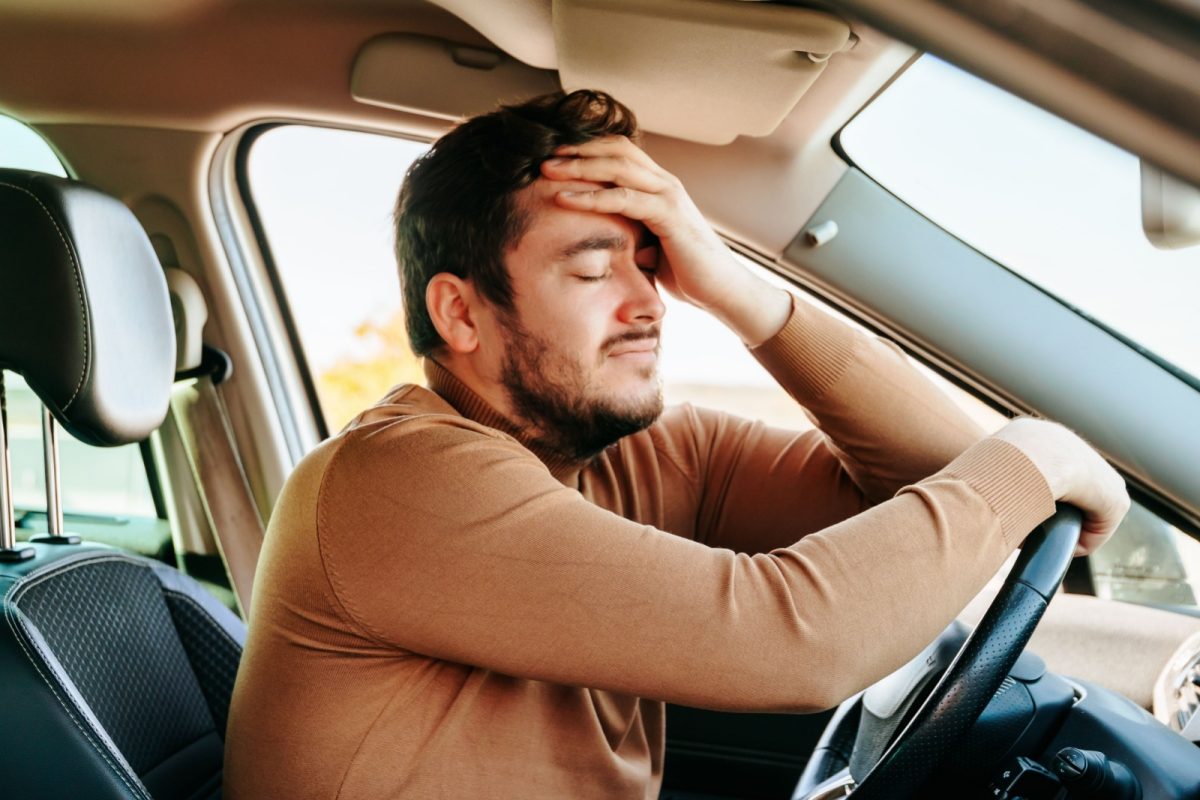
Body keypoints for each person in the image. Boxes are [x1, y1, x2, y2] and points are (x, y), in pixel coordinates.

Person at [225, 90, 1129, 799]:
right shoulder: (397, 476)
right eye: (589, 269)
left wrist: (738, 289)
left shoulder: (629, 451)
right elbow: (792, 640)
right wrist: (1034, 454)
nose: (649, 302)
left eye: (651, 262)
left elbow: (933, 484)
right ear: (460, 311)